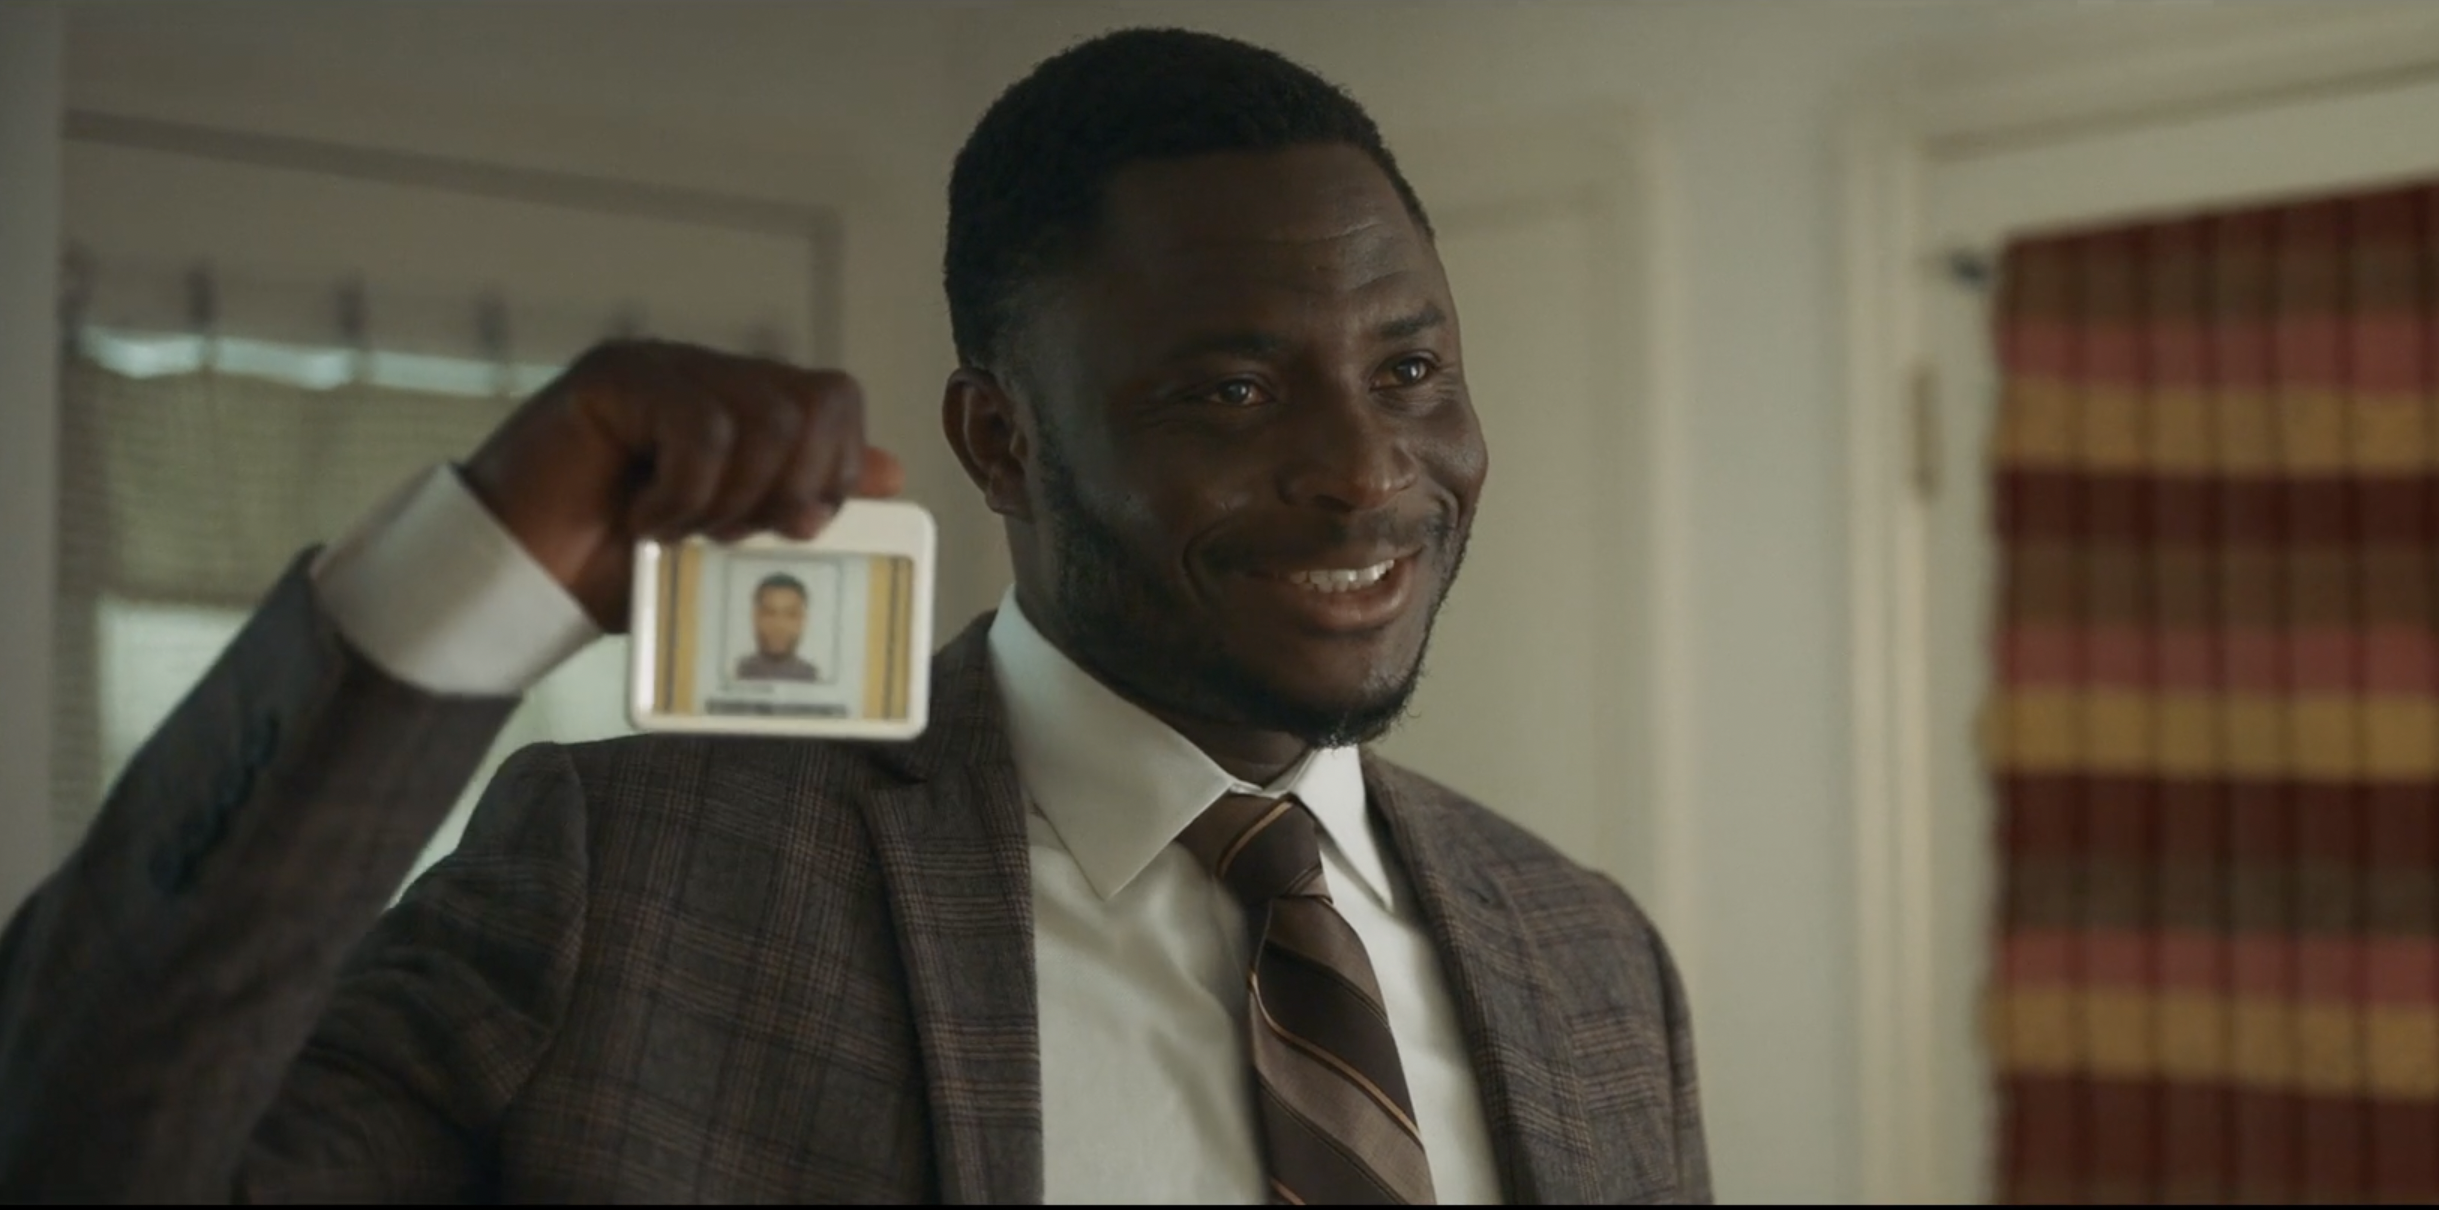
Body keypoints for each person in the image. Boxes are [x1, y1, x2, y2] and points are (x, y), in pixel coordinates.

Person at [0, 27, 1708, 1205]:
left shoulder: (1589, 961)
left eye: (1409, 370)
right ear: (1001, 441)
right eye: (1233, 392)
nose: (1365, 469)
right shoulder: (641, 884)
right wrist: (457, 580)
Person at [734, 572, 822, 682]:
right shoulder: (737, 673)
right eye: (770, 613)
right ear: (755, 618)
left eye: (790, 615)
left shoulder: (812, 677)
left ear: (802, 620)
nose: (779, 625)